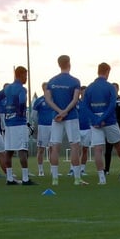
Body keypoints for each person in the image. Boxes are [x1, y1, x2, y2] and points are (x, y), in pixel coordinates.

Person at [82, 63, 120, 185]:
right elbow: (112, 105)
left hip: (95, 121)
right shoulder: (110, 87)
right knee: (118, 144)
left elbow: (85, 106)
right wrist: (102, 119)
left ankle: (102, 179)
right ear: (107, 72)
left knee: (98, 149)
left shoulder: (90, 87)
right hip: (109, 120)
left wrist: (95, 119)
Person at [44, 55, 84, 186]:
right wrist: (65, 111)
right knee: (74, 146)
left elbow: (48, 99)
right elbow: (75, 99)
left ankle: (55, 179)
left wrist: (59, 111)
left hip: (56, 117)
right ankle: (77, 179)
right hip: (71, 116)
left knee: (55, 146)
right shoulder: (75, 81)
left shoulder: (51, 81)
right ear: (69, 64)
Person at [0, 66, 34, 185]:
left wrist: (5, 109)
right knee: (22, 150)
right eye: (25, 76)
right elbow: (22, 102)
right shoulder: (22, 89)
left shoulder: (7, 88)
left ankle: (9, 178)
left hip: (8, 124)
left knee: (9, 150)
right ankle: (25, 178)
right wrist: (19, 111)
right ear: (20, 75)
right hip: (19, 123)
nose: (26, 78)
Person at [32, 82, 54, 177]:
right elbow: (33, 115)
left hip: (53, 126)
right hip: (43, 127)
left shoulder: (54, 100)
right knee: (41, 149)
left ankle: (53, 170)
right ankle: (41, 170)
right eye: (46, 89)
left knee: (52, 149)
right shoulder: (39, 101)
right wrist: (40, 122)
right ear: (43, 89)